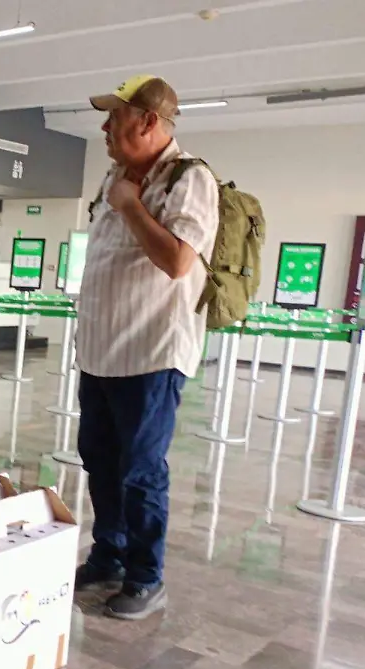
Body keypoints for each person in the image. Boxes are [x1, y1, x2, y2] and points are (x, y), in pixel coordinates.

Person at [74, 75, 220, 620]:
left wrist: (133, 207)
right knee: (100, 460)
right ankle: (109, 555)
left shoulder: (188, 179)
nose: (106, 127)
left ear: (149, 121)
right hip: (101, 353)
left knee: (139, 468)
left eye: (115, 117)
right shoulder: (115, 176)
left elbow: (179, 262)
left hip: (151, 354)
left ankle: (145, 576)